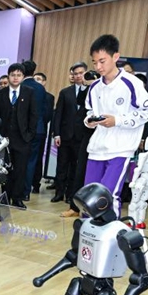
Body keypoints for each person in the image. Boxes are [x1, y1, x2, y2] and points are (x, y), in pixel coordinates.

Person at [83, 35, 148, 215]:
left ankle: (111, 238)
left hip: (120, 149)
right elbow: (89, 111)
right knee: (89, 197)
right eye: (94, 62)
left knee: (107, 196)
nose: (98, 67)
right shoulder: (94, 87)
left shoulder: (132, 83)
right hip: (97, 148)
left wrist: (117, 120)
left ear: (116, 57)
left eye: (102, 61)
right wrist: (89, 121)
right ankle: (89, 239)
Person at [0, 62, 36, 209]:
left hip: (23, 139)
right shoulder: (0, 94)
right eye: (13, 75)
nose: (15, 78)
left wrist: (29, 135)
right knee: (4, 169)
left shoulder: (29, 92)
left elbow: (34, 116)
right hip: (4, 139)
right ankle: (4, 197)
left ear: (23, 77)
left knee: (21, 169)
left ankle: (17, 198)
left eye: (18, 75)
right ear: (8, 76)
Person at [54, 63, 89, 208]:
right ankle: (58, 192)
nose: (78, 76)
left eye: (81, 73)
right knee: (62, 165)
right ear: (72, 75)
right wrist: (56, 134)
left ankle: (71, 195)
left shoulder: (91, 91)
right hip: (65, 135)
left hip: (81, 136)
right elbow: (58, 115)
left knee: (76, 168)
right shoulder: (65, 92)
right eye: (75, 73)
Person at [21, 60, 47, 201]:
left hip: (23, 131)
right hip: (38, 129)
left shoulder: (21, 86)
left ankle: (17, 190)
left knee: (19, 161)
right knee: (31, 162)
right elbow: (44, 110)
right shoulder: (40, 88)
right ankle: (26, 191)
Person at [32, 71, 55, 194]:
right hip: (27, 132)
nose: (37, 81)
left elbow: (47, 115)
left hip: (40, 132)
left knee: (37, 159)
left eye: (39, 79)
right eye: (35, 79)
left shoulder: (49, 97)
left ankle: (36, 183)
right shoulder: (27, 94)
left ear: (44, 82)